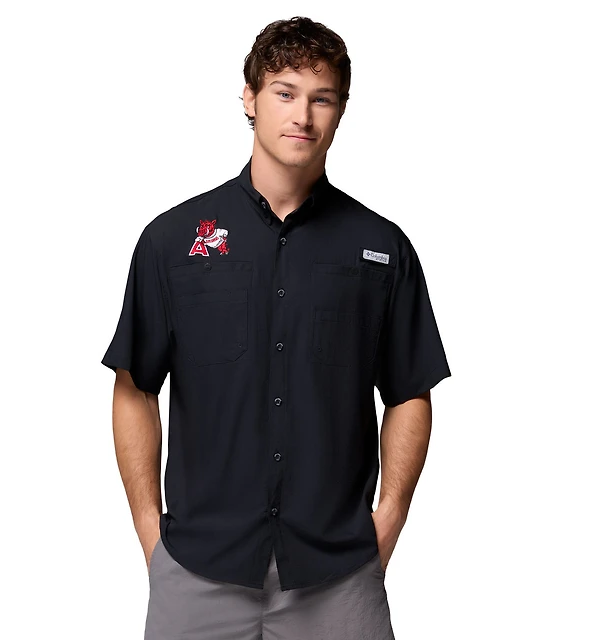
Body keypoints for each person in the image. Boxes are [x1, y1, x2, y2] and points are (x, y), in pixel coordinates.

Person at [101, 15, 451, 640]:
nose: (303, 116)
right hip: (198, 569)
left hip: (338, 575)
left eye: (322, 99)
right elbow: (135, 387)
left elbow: (409, 391)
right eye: (285, 93)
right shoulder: (173, 240)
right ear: (250, 98)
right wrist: (152, 537)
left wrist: (389, 518)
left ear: (341, 111)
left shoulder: (382, 248)